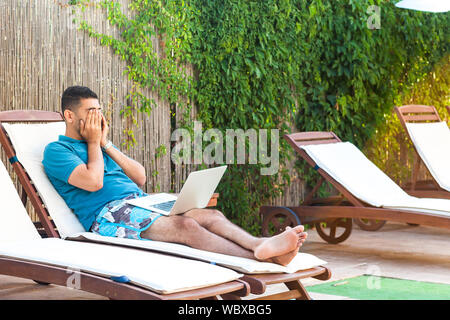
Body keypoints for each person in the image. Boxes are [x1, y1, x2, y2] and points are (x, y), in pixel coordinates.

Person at [42, 86, 307, 266]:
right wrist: (92, 142)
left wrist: (105, 143)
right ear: (69, 115)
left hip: (139, 201)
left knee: (209, 215)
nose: (97, 117)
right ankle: (262, 260)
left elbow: (140, 177)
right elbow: (94, 182)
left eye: (99, 110)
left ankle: (260, 244)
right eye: (91, 112)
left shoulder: (100, 144)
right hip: (106, 215)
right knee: (186, 227)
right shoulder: (56, 150)